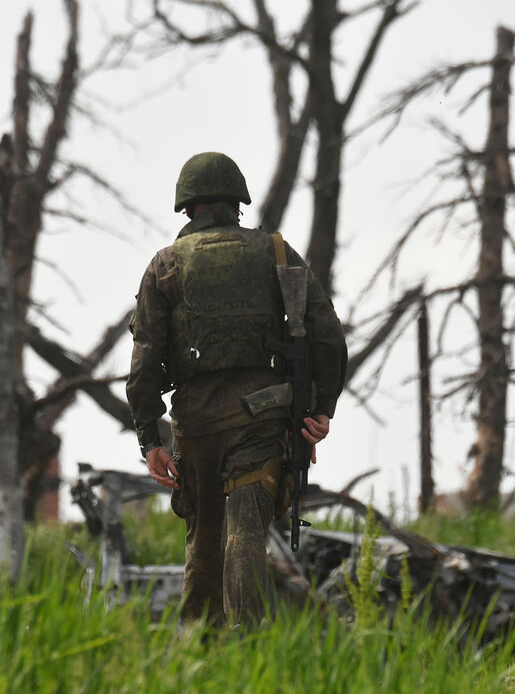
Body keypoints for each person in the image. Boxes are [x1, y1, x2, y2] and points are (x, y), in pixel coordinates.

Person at [126, 151, 348, 627]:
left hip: (196, 427)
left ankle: (201, 659)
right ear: (237, 202)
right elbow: (327, 335)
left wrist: (149, 439)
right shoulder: (277, 254)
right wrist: (322, 409)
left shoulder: (166, 265)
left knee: (203, 542)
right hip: (261, 422)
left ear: (187, 208)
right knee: (246, 532)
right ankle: (249, 651)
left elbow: (144, 359)